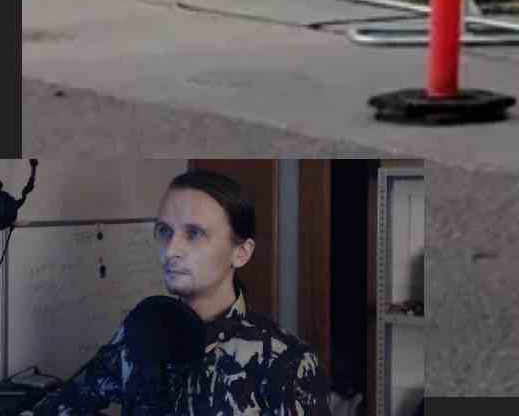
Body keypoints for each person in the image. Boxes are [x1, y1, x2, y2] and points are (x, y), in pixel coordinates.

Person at [29, 169, 331, 416]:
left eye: (194, 234)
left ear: (241, 252)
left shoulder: (288, 362)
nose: (171, 250)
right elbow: (64, 406)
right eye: (164, 231)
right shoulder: (144, 330)